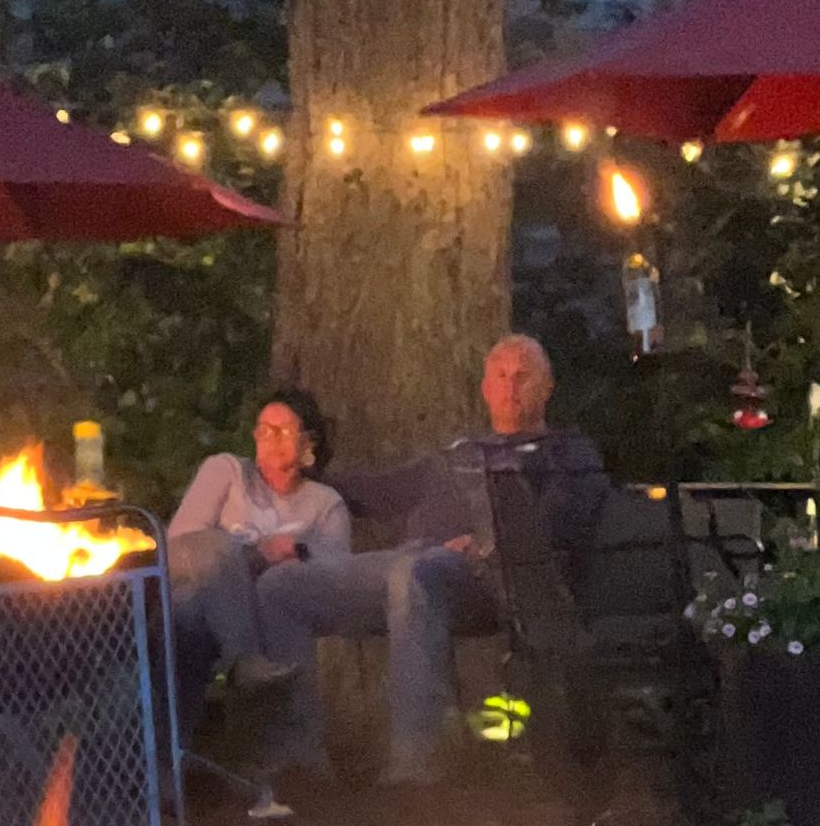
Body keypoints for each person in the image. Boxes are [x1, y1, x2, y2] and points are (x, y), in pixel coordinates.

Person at [256, 335, 609, 786]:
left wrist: (488, 542)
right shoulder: (460, 453)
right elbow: (378, 491)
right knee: (281, 588)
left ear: (547, 386)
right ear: (485, 388)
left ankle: (417, 760)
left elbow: (566, 519)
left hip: (491, 578)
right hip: (412, 563)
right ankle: (298, 758)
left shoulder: (565, 452)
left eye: (523, 377)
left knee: (414, 574)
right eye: (500, 376)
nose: (510, 387)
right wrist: (300, 473)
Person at [167, 390, 351, 692]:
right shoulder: (227, 472)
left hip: (276, 613)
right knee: (218, 546)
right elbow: (183, 545)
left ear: (309, 442)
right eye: (263, 430)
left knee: (282, 586)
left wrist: (297, 551)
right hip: (200, 606)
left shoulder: (325, 504)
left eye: (282, 431)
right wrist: (255, 555)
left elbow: (340, 568)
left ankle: (277, 693)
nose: (270, 439)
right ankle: (244, 660)